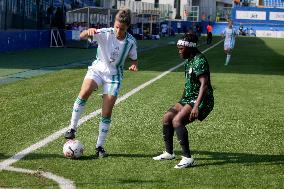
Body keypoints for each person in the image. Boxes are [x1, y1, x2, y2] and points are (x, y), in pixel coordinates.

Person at [64, 8, 138, 158]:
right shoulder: (105, 33)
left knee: (106, 111)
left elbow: (134, 58)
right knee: (84, 92)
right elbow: (82, 36)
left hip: (114, 76)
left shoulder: (131, 41)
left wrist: (134, 64)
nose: (118, 31)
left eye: (121, 28)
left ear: (127, 27)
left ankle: (99, 146)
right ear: (114, 24)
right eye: (116, 27)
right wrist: (88, 31)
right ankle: (72, 128)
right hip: (97, 69)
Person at [153, 33, 214, 169]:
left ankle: (188, 158)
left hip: (202, 99)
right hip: (189, 98)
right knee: (167, 117)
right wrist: (182, 102)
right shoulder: (189, 60)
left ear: (190, 48)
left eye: (181, 48)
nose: (179, 51)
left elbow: (204, 85)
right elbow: (188, 84)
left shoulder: (200, 60)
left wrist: (196, 106)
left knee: (177, 121)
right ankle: (169, 153)